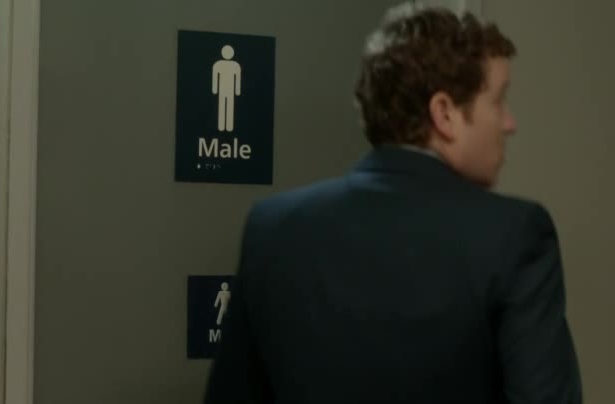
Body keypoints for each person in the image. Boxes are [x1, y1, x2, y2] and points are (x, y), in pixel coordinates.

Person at [203, 4, 582, 403]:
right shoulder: (516, 235)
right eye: (499, 100)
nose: (509, 123)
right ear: (445, 113)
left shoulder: (272, 228)